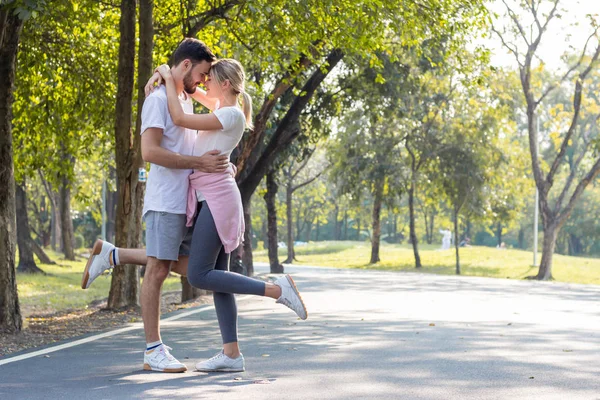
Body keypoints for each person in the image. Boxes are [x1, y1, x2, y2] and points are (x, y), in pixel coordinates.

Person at [152, 59, 307, 373]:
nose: (204, 84)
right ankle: (231, 354)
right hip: (214, 197)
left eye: (209, 80)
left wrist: (168, 78)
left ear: (225, 84)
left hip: (217, 201)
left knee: (198, 274)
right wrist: (168, 75)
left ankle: (277, 291)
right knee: (219, 282)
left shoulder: (230, 114)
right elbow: (193, 94)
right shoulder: (224, 110)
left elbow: (179, 116)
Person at [81, 38, 225, 373]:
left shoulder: (182, 98)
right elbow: (149, 152)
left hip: (184, 201)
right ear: (186, 65)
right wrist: (198, 163)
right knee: (159, 269)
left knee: (192, 268)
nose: (204, 82)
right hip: (165, 200)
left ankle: (113, 255)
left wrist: (164, 71)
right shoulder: (159, 99)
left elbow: (225, 100)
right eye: (202, 74)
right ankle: (153, 349)